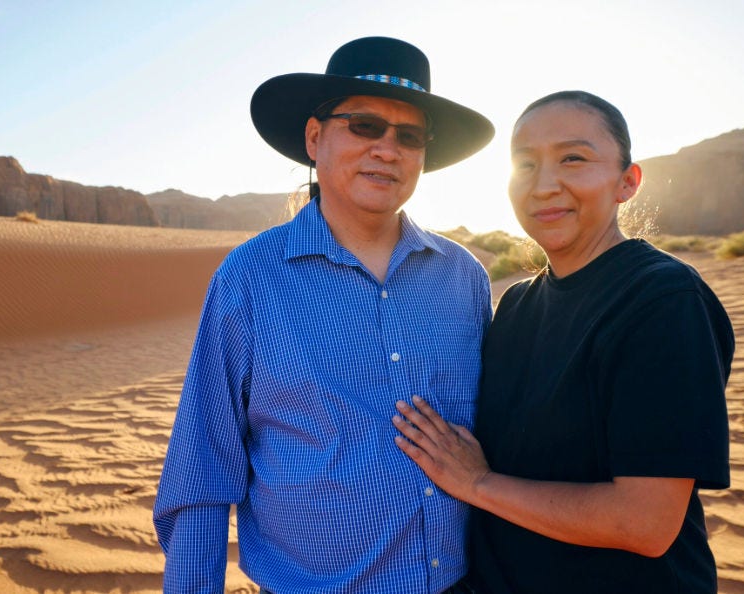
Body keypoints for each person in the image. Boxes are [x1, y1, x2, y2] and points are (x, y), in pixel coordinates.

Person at [153, 36, 494, 593]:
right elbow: (204, 466)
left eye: (409, 136)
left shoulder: (463, 277)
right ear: (315, 138)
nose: (388, 149)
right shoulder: (250, 277)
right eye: (364, 126)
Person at [393, 90, 733, 593]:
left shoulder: (662, 300)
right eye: (525, 164)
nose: (544, 185)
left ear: (627, 182)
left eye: (573, 158)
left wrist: (477, 484)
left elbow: (644, 523)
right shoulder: (516, 304)